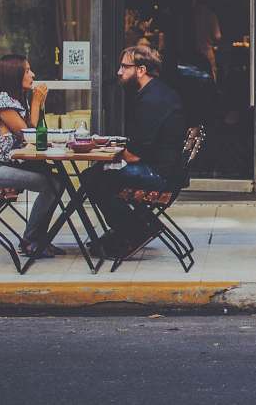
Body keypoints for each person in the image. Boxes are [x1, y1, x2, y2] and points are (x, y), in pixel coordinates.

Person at [79, 44, 186, 258]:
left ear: (141, 70)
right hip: (165, 169)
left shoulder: (152, 100)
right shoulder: (156, 92)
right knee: (96, 175)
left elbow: (134, 155)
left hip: (159, 175)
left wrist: (105, 150)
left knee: (94, 179)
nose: (119, 72)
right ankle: (134, 228)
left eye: (124, 67)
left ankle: (133, 232)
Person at [0, 54, 65, 259]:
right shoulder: (3, 103)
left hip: (1, 165)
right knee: (52, 184)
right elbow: (29, 135)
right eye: (28, 70)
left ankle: (38, 239)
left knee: (55, 179)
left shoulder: (14, 100)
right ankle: (32, 240)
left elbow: (32, 132)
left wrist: (37, 104)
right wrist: (37, 102)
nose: (33, 74)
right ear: (15, 75)